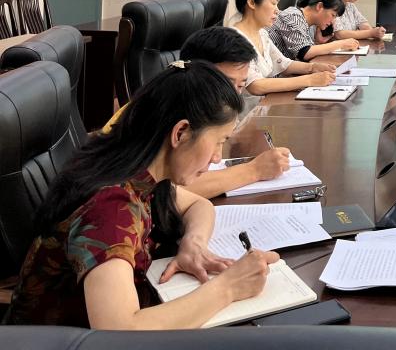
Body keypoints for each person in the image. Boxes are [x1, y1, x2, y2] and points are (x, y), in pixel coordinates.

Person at [3, 62, 279, 328]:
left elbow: (198, 205)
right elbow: (121, 330)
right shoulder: (111, 207)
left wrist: (193, 243)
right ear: (181, 133)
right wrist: (228, 287)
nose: (218, 157)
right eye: (218, 142)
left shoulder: (139, 169)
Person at [101, 26, 293, 199]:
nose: (232, 94)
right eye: (224, 83)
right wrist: (254, 170)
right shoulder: (159, 112)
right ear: (194, 72)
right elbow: (166, 190)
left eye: (241, 85)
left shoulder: (202, 112)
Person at [231, 0, 336, 96]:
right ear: (251, 3)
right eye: (273, 3)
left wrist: (312, 67)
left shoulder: (261, 32)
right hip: (251, 107)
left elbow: (283, 63)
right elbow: (256, 85)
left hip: (267, 102)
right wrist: (309, 80)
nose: (277, 10)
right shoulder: (234, 39)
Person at [268, 0, 360, 60]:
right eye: (333, 15)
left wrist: (318, 42)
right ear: (319, 6)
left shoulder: (305, 22)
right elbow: (303, 53)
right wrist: (340, 44)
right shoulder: (293, 16)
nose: (333, 21)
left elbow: (306, 50)